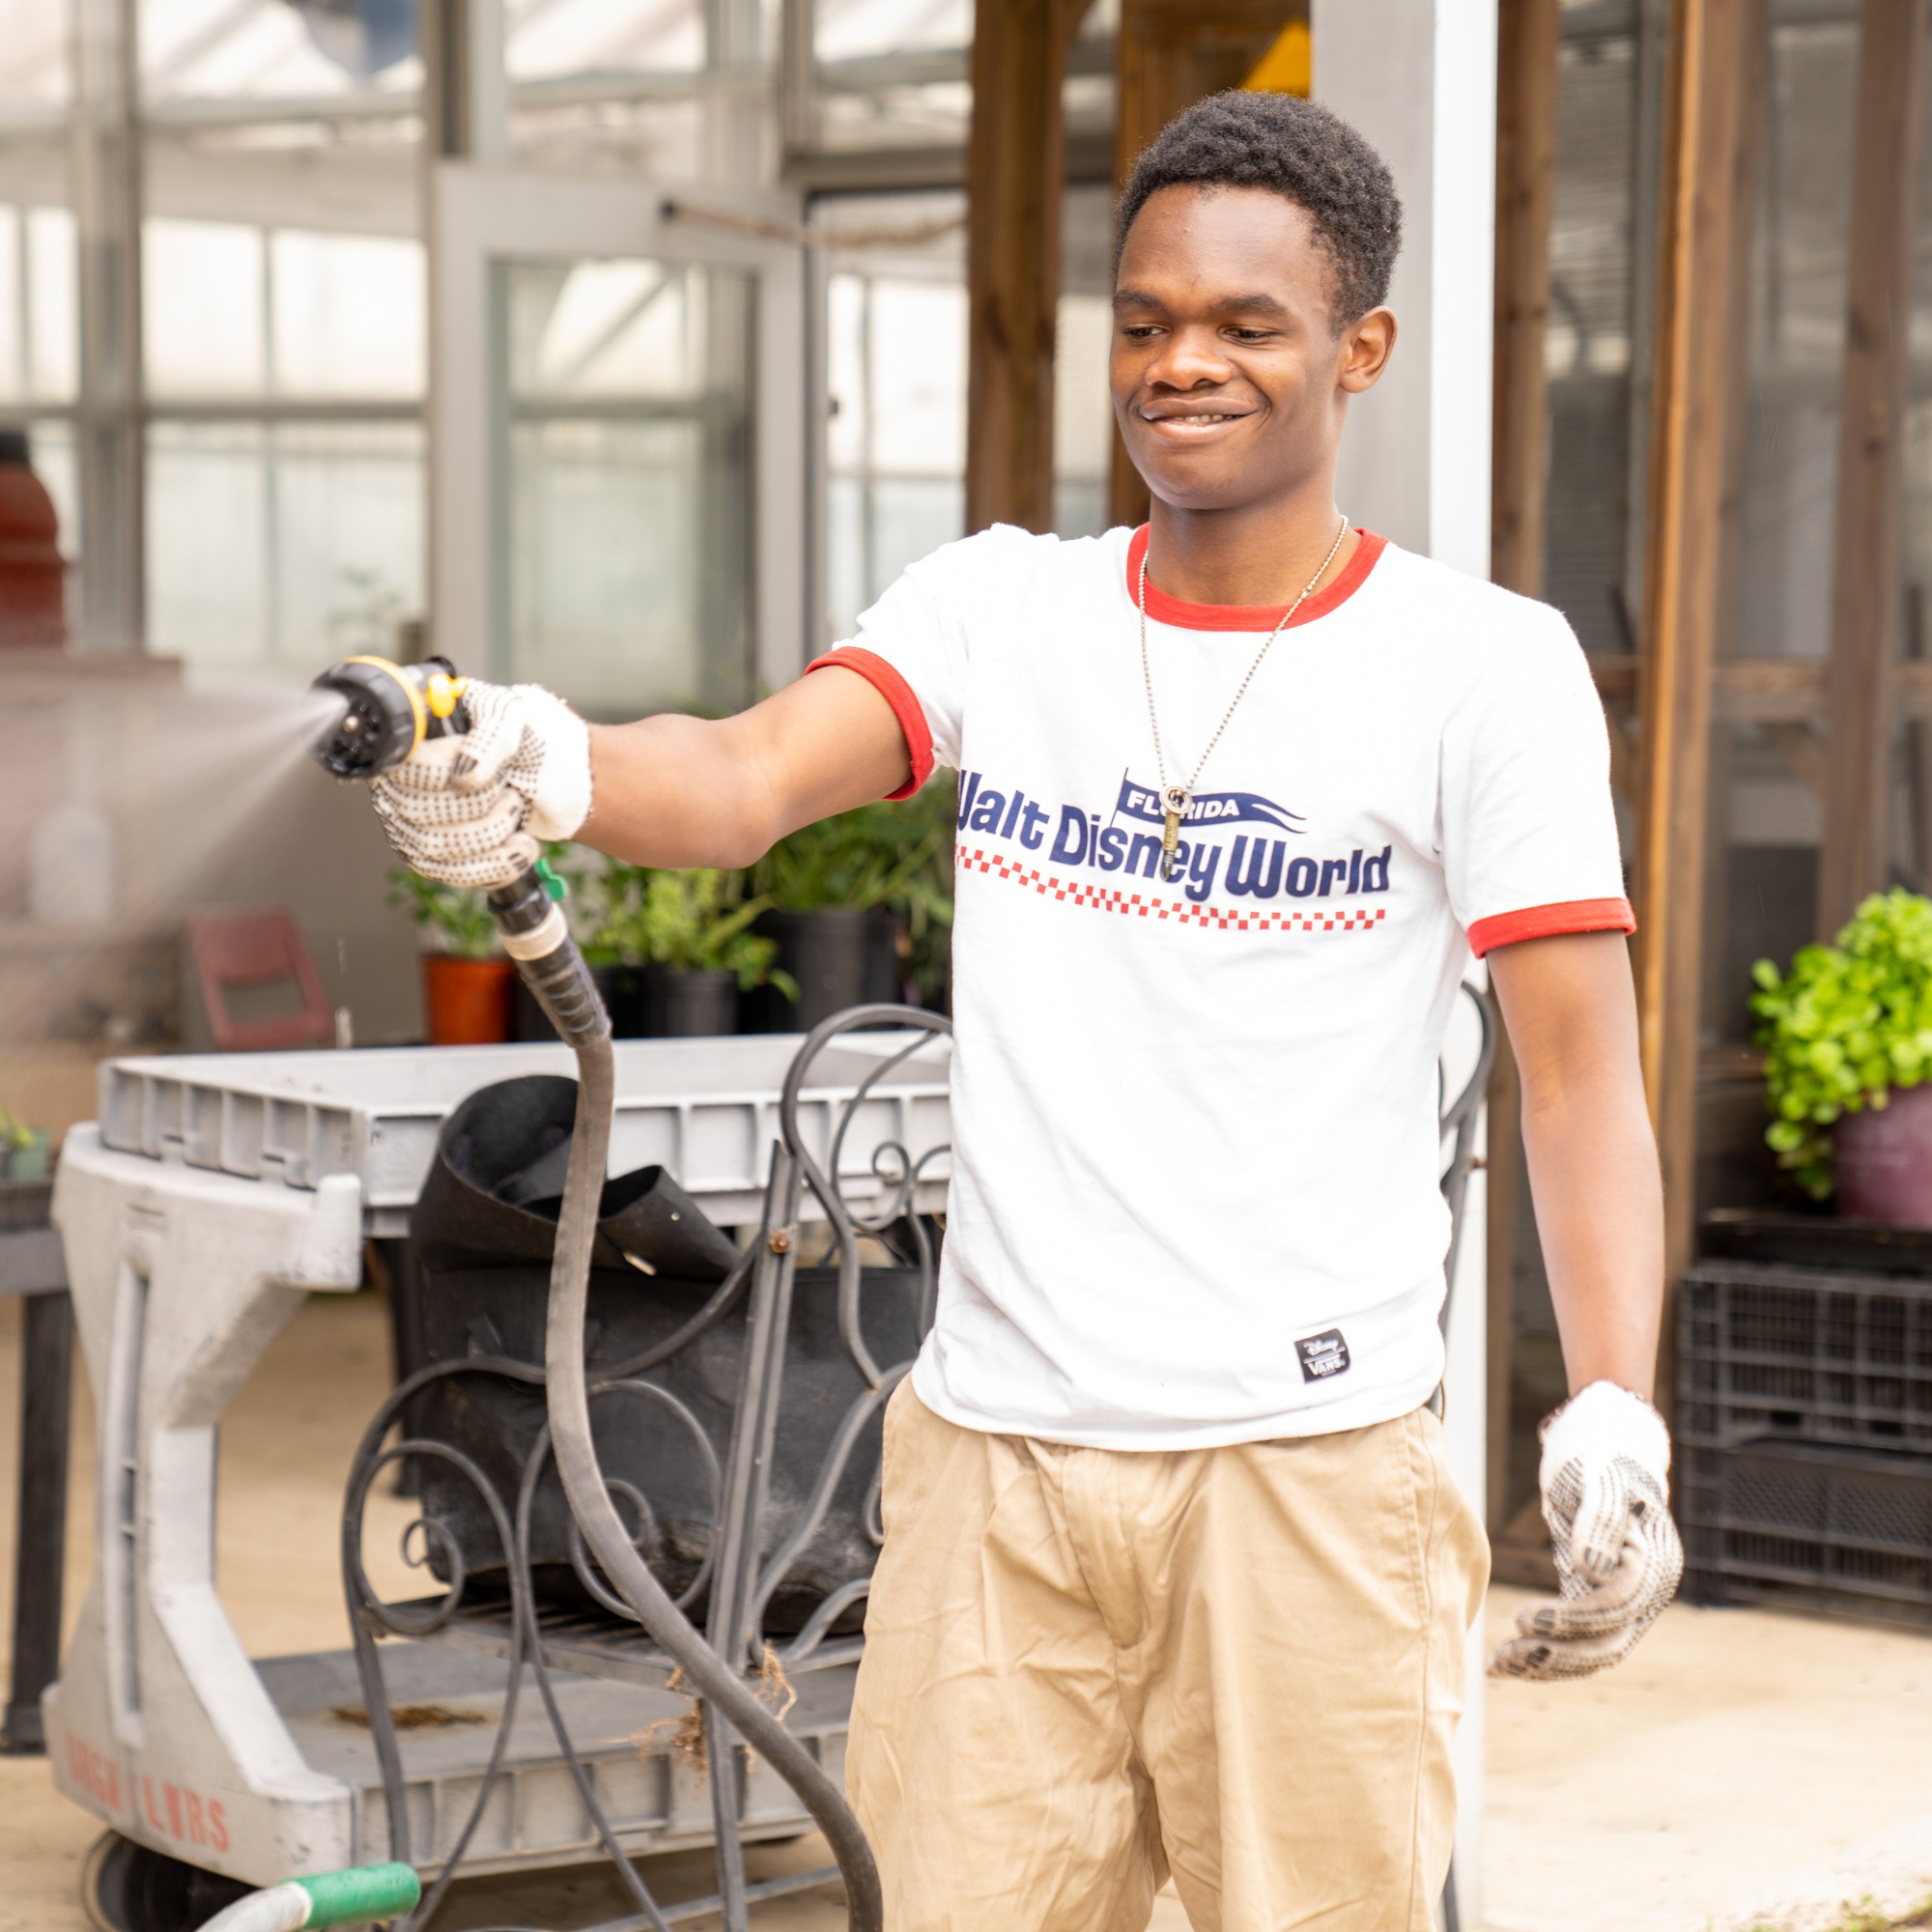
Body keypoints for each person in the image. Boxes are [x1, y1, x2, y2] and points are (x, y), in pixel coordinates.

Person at [371, 89, 1682, 1932]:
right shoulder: (1005, 609)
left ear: (1360, 349)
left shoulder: (1478, 669)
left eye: (1246, 326)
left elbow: (1576, 1081)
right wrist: (532, 755)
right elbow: (744, 777)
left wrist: (1614, 1400)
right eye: (1144, 323)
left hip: (1302, 1484)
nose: (1180, 367)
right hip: (999, 1472)